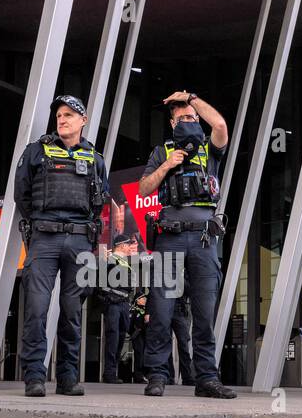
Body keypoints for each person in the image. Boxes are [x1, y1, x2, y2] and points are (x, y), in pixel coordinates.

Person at [139, 91, 234, 399]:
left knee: (205, 312)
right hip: (169, 237)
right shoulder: (162, 150)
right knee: (162, 309)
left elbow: (219, 124)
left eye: (191, 117)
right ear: (171, 122)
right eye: (180, 118)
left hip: (204, 239)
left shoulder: (210, 149)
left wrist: (193, 99)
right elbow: (143, 188)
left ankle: (207, 378)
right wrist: (167, 165)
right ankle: (157, 374)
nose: (186, 121)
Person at [15, 95, 109, 397]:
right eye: (58, 114)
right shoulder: (36, 151)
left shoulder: (95, 158)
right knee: (36, 309)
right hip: (45, 238)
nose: (62, 119)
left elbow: (101, 198)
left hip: (80, 240)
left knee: (72, 312)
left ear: (83, 120)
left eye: (69, 114)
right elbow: (22, 196)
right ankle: (34, 376)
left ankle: (68, 377)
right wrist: (43, 223)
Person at [99, 232, 138, 383]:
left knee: (120, 338)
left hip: (123, 303)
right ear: (121, 245)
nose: (131, 248)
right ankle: (109, 373)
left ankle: (112, 372)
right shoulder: (110, 259)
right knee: (113, 337)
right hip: (114, 303)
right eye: (129, 245)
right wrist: (110, 296)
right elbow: (101, 282)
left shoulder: (122, 261)